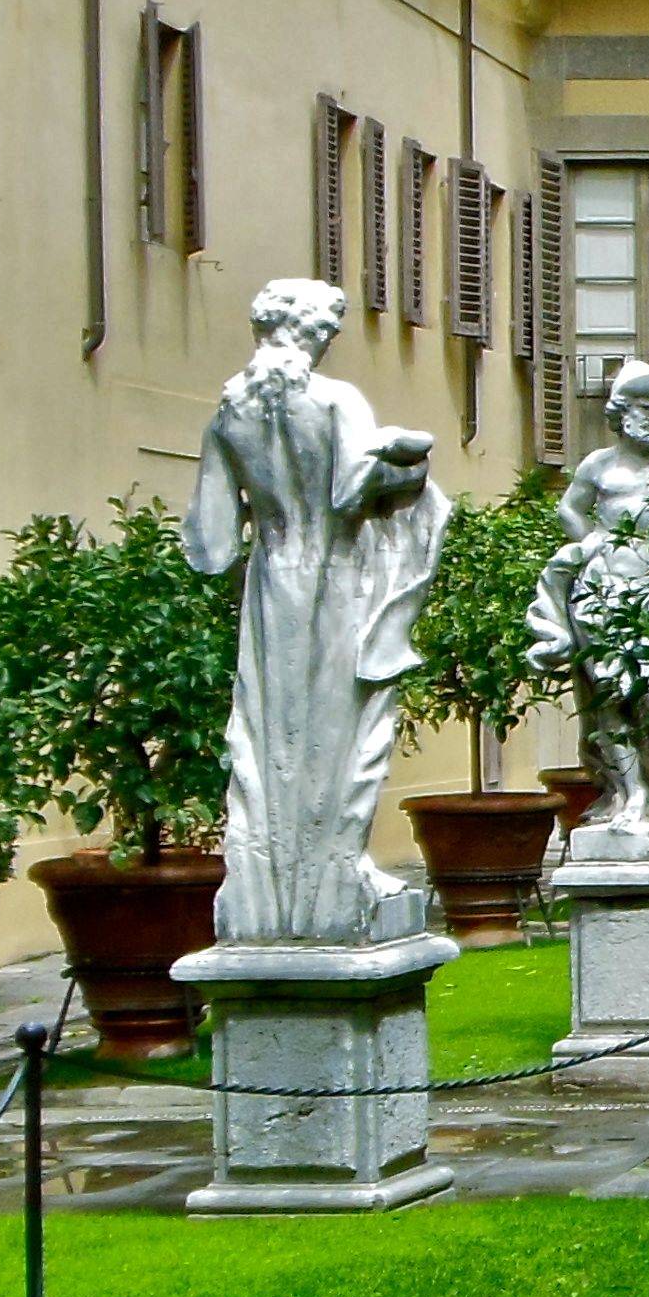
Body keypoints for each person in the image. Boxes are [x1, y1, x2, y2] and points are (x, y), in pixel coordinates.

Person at [182, 277, 449, 944]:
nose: (332, 341)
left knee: (271, 730)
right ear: (309, 332)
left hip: (271, 585)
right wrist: (411, 468)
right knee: (345, 726)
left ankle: (263, 886)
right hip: (339, 581)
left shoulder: (229, 416)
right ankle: (337, 872)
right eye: (328, 329)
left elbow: (211, 547)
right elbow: (353, 492)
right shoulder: (335, 401)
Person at [526, 357, 649, 857]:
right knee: (608, 701)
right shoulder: (599, 466)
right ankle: (632, 795)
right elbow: (568, 508)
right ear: (620, 413)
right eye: (643, 407)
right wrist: (592, 542)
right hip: (602, 595)